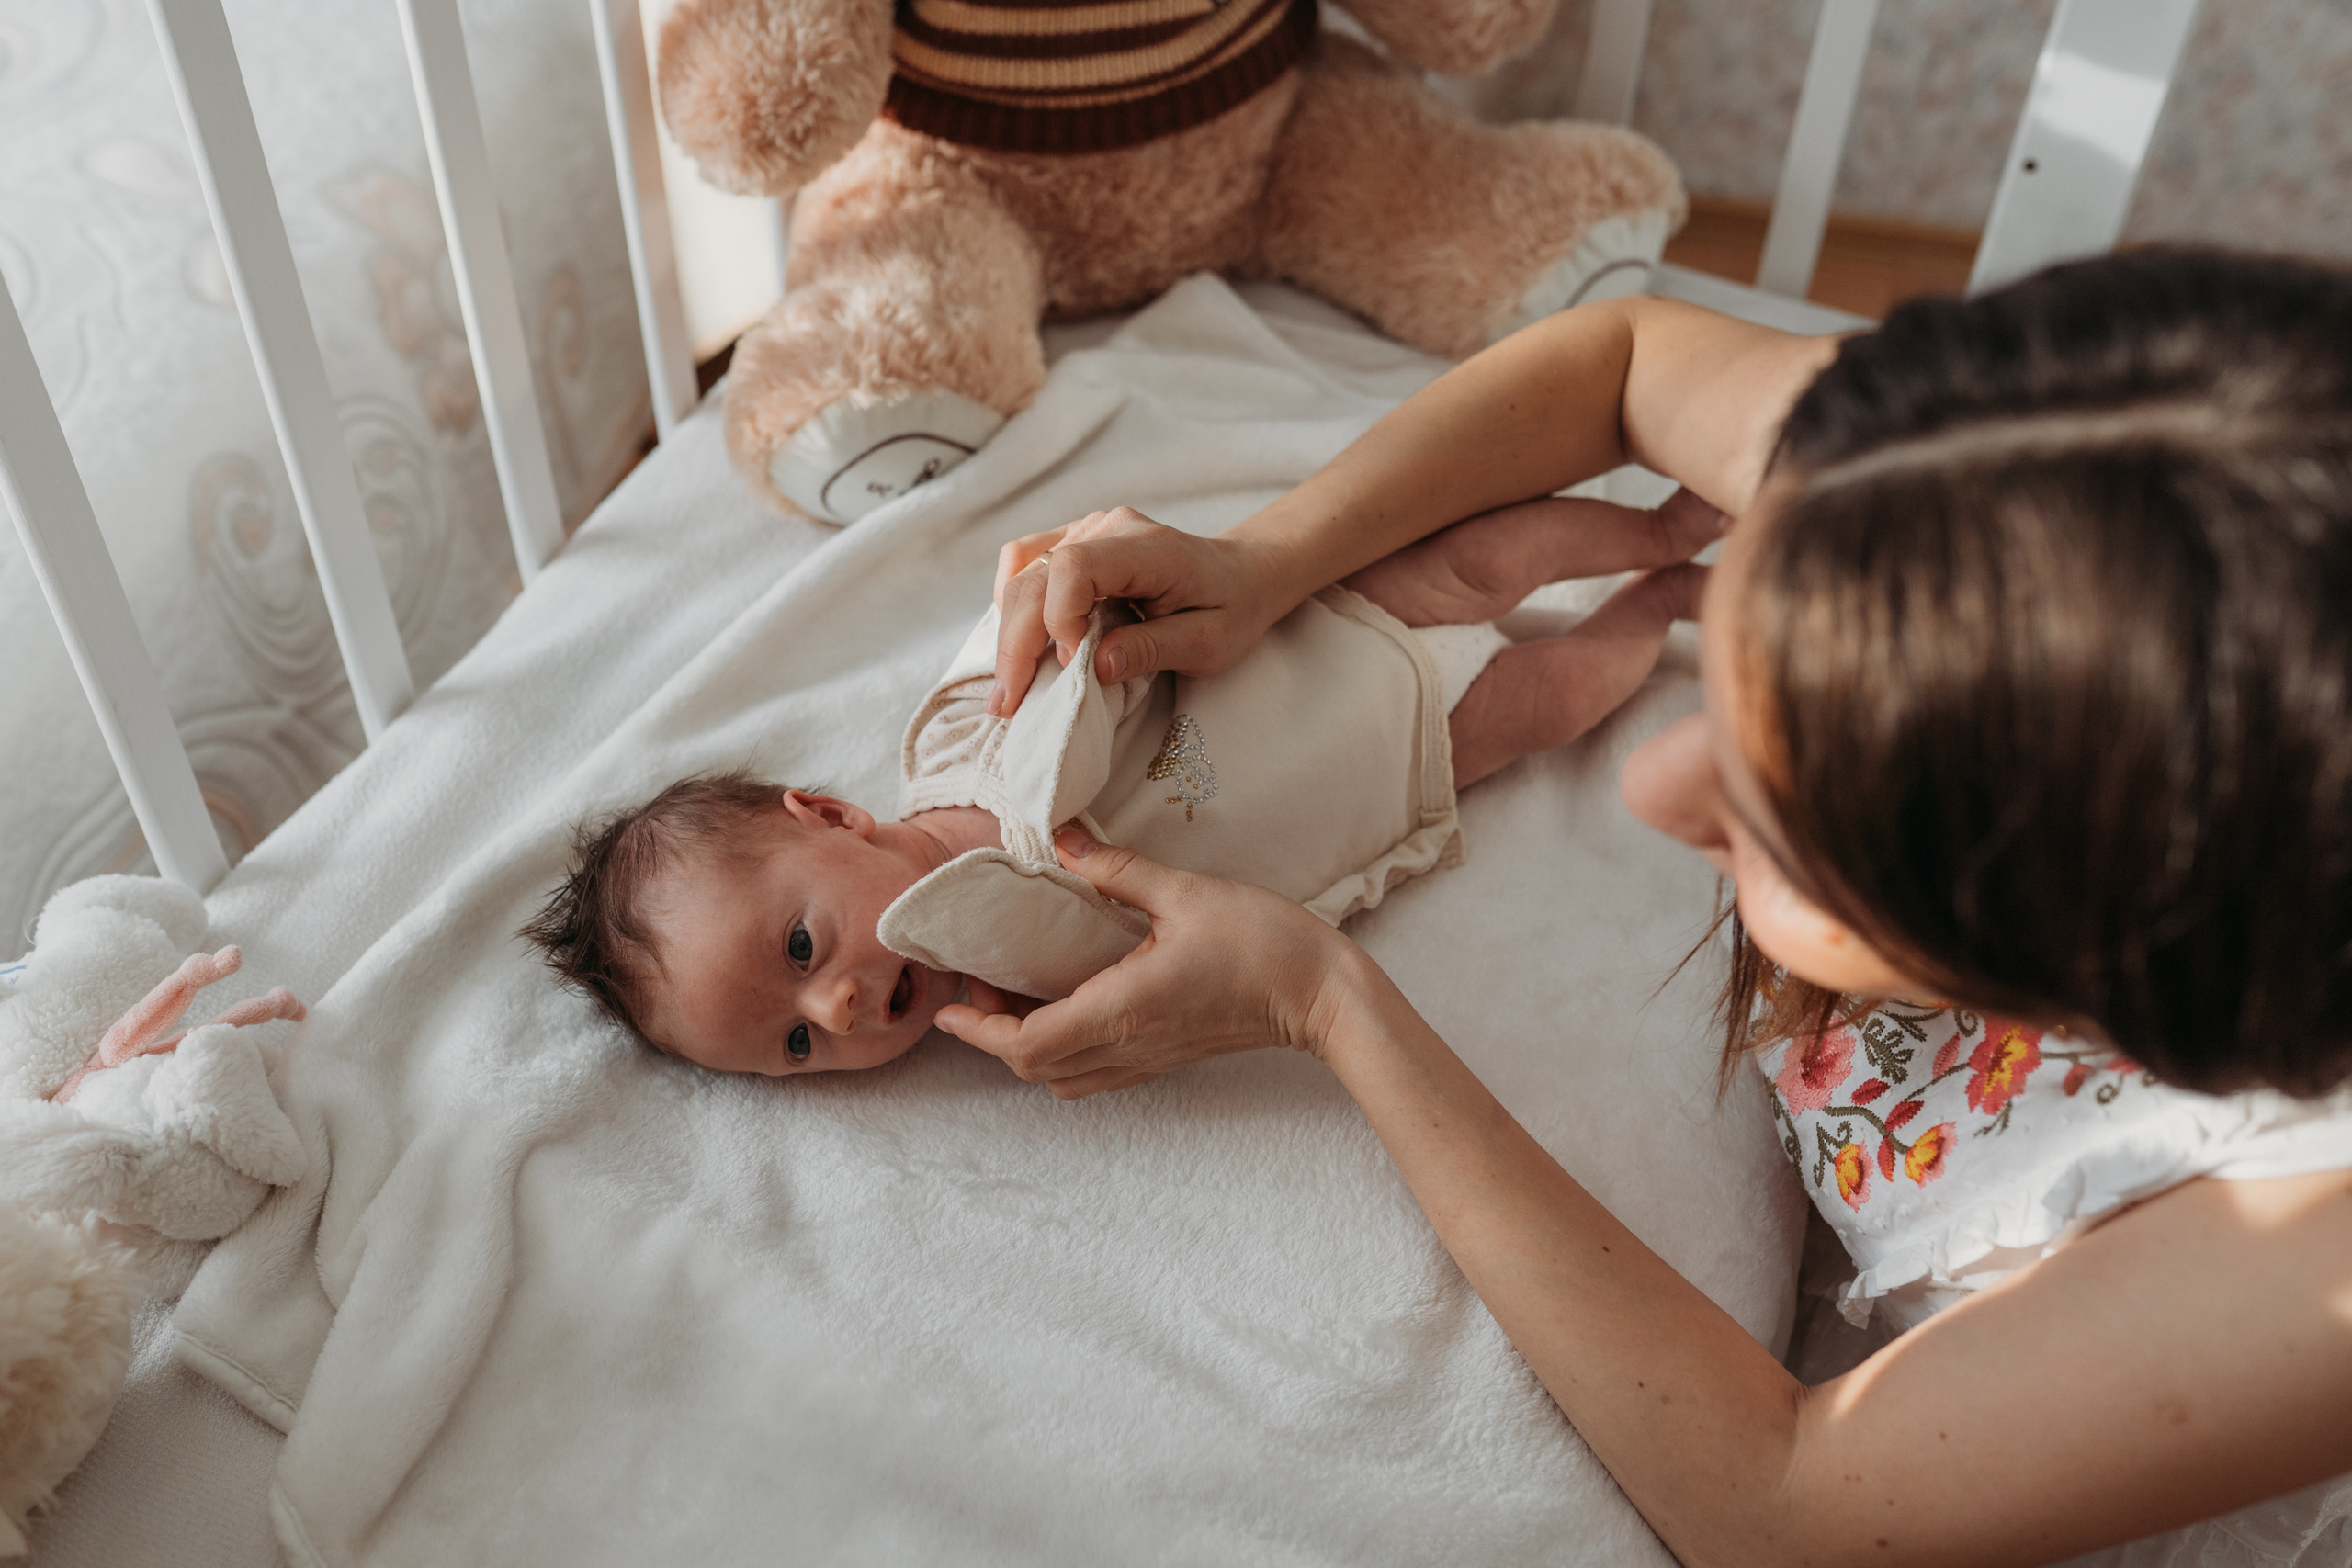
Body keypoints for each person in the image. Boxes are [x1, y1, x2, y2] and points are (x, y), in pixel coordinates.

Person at [931, 249, 2352, 1565]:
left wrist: (1325, 1003)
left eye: (1778, 820)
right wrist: (1270, 560)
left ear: (2092, 971)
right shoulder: (1995, 491)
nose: (1657, 786)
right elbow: (1621, 359)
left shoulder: (2311, 1257)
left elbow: (1777, 1504)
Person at [517, 491, 1720, 1077]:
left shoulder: (952, 732)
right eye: (791, 1045)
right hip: (1397, 761)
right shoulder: (1029, 999)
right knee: (1552, 701)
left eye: (798, 947)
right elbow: (1182, 993)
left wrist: (1064, 583)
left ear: (832, 816)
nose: (834, 1009)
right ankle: (1667, 604)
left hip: (1314, 629)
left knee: (1487, 555)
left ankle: (1660, 532)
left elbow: (1044, 609)